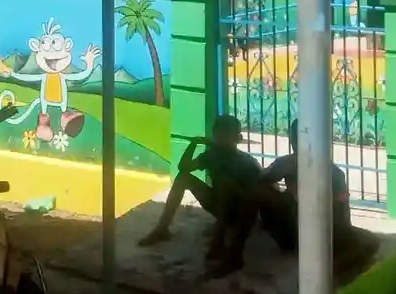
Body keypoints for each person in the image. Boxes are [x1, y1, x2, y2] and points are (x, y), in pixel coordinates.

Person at [139, 114, 267, 276]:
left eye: (226, 136)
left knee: (225, 184)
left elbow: (254, 199)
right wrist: (194, 143)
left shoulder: (246, 162)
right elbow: (183, 168)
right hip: (216, 205)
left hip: (238, 214)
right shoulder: (211, 156)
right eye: (219, 135)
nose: (221, 140)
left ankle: (219, 241)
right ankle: (162, 228)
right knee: (183, 178)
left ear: (237, 138)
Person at [257, 119, 364, 263]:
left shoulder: (288, 164)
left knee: (270, 195)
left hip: (317, 235)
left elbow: (262, 181)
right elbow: (343, 211)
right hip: (324, 234)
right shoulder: (331, 169)